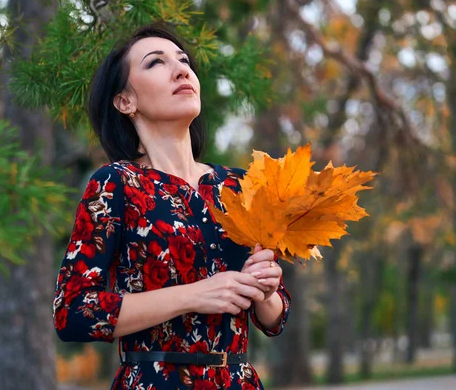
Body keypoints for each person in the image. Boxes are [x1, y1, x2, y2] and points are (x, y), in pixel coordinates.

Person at [52, 22, 291, 390]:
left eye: (183, 60)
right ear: (125, 101)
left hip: (238, 380)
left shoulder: (240, 185)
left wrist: (267, 291)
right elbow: (73, 312)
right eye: (155, 63)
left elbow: (274, 318)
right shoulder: (116, 183)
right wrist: (195, 295)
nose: (182, 69)